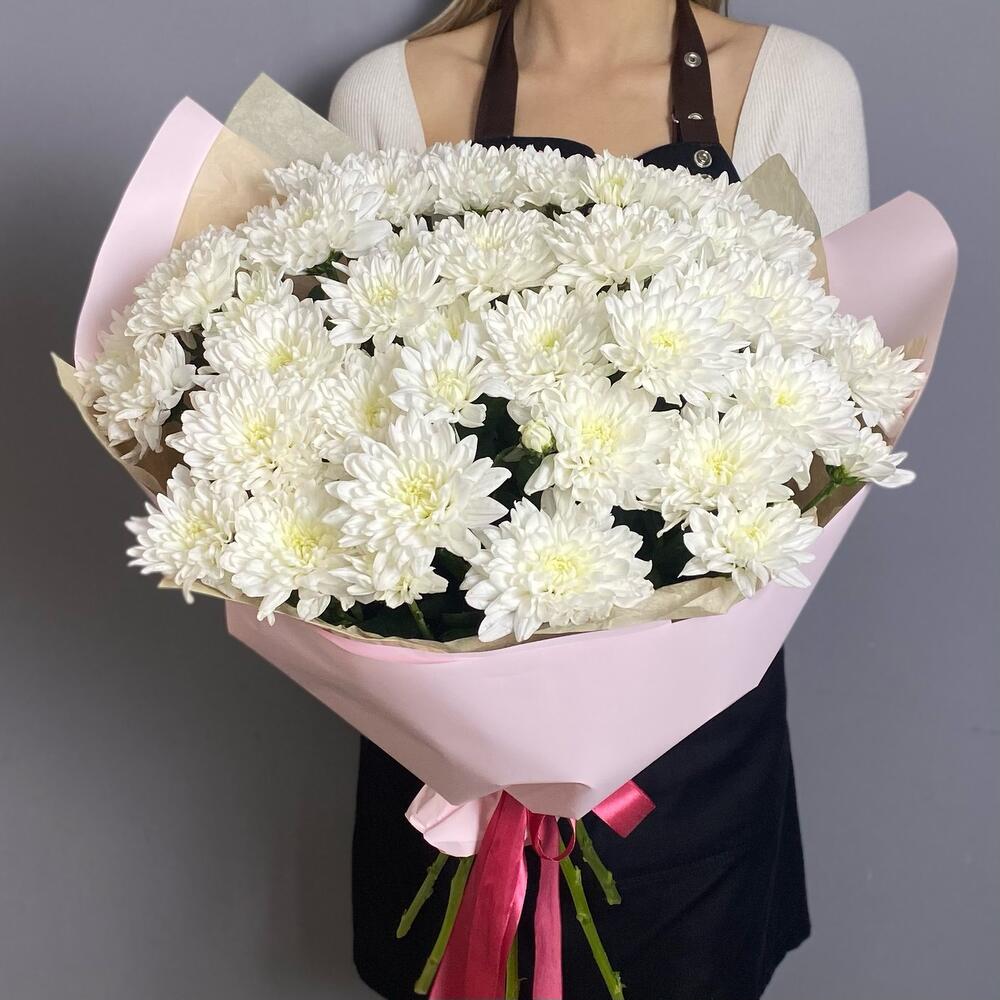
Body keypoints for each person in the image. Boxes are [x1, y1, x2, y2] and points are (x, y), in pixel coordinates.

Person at [328, 3, 869, 997]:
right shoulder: (385, 96)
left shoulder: (795, 87)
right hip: (446, 761)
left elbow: (829, 427)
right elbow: (341, 422)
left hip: (690, 759)